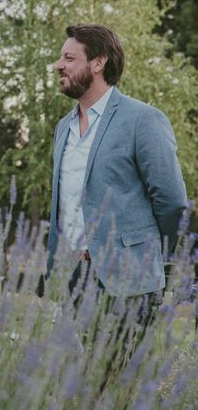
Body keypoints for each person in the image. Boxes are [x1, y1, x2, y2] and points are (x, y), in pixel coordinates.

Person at [46, 24, 187, 376]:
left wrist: (150, 256)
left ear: (98, 63)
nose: (58, 65)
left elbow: (171, 201)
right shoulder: (63, 127)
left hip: (130, 276)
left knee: (121, 384)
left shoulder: (143, 119)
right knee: (86, 381)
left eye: (69, 58)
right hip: (75, 275)